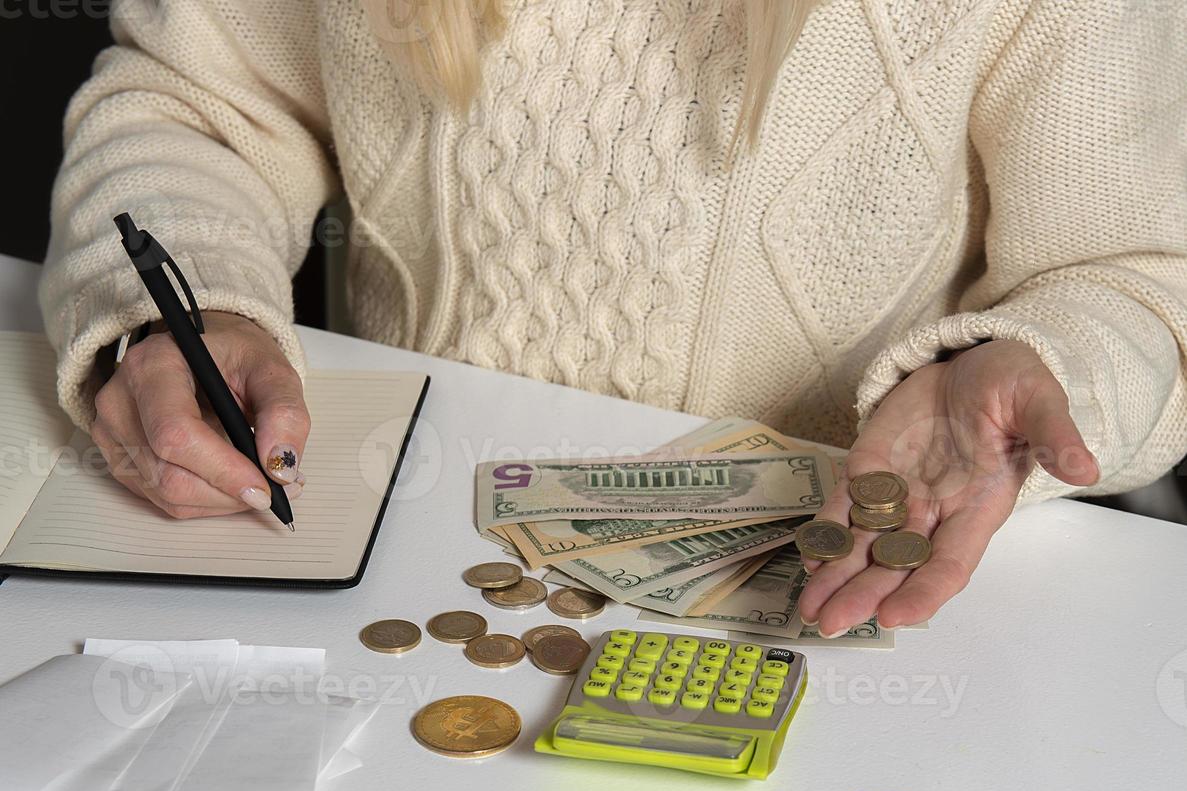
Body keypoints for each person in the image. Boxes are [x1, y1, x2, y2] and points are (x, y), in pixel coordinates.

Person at [39, 0, 1187, 636]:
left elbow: (1140, 271)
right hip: (385, 556)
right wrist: (182, 308)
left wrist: (1047, 361)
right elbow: (194, 107)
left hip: (838, 590)